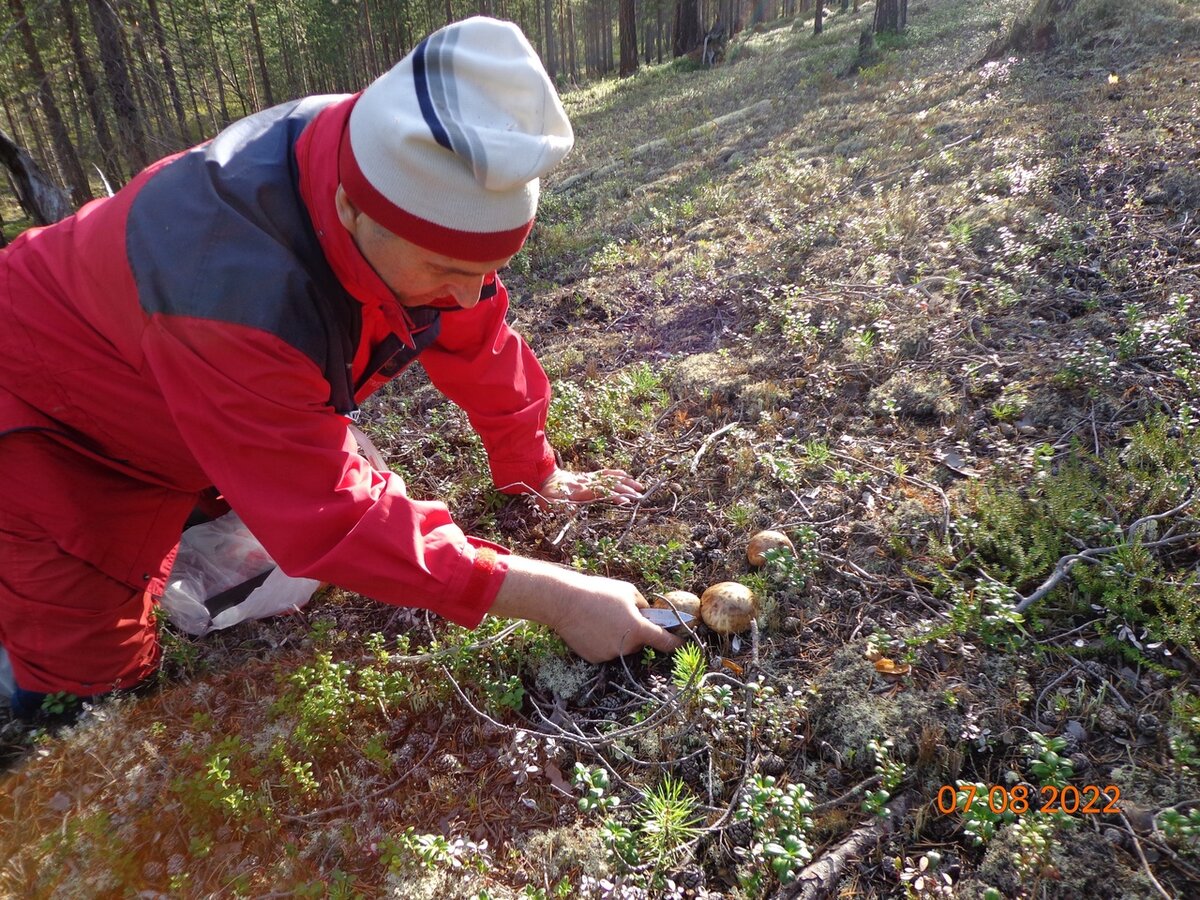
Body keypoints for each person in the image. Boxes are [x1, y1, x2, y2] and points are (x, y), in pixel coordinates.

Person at [0, 17, 682, 722]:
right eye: (448, 270)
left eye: (488, 270)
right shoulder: (230, 288)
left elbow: (477, 340)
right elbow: (333, 519)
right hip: (52, 413)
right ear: (350, 212)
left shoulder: (391, 164)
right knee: (80, 673)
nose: (468, 294)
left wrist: (531, 471)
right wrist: (560, 598)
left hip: (186, 388)